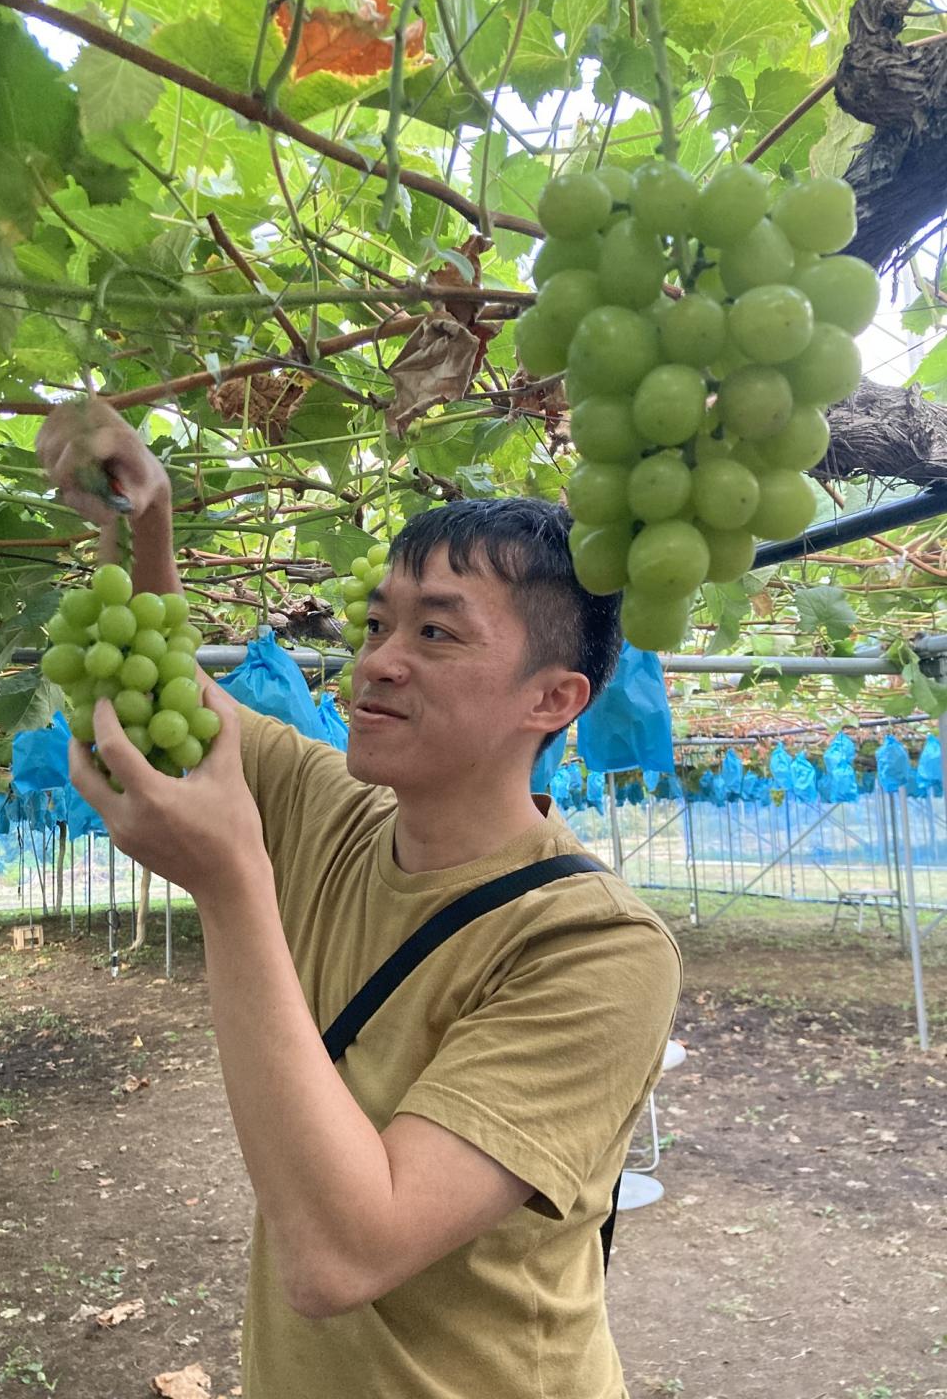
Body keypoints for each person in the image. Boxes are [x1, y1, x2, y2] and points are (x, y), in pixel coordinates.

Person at [36, 399, 682, 1399]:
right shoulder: (332, 807)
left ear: (552, 700)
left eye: (436, 633)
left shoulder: (595, 947)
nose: (374, 659)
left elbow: (342, 1257)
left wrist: (233, 883)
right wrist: (144, 521)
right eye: (379, 623)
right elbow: (173, 698)